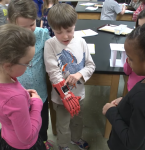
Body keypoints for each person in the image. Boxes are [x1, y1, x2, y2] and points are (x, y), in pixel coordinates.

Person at [44, 3, 95, 150]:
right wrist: (65, 93)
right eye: (59, 32)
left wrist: (80, 74)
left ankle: (76, 139)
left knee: (78, 120)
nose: (65, 36)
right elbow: (53, 72)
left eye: (69, 30)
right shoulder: (50, 44)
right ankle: (63, 145)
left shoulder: (81, 42)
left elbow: (90, 66)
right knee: (63, 124)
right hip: (61, 98)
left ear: (75, 25)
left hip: (79, 95)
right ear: (52, 29)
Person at [7, 0, 53, 150]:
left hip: (40, 93)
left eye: (32, 24)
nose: (28, 30)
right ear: (10, 22)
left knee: (42, 122)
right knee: (22, 126)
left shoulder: (42, 34)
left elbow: (52, 55)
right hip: (18, 95)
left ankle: (43, 142)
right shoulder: (7, 42)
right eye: (22, 27)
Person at [103, 22, 145, 150]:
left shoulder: (143, 96)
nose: (128, 61)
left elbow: (131, 143)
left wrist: (111, 112)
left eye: (130, 58)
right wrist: (126, 100)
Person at [0, 24, 46, 150]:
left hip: (7, 136)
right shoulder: (15, 98)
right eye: (27, 63)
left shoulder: (6, 78)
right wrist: (37, 103)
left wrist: (23, 93)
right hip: (24, 146)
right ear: (8, 66)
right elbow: (27, 137)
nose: (29, 65)